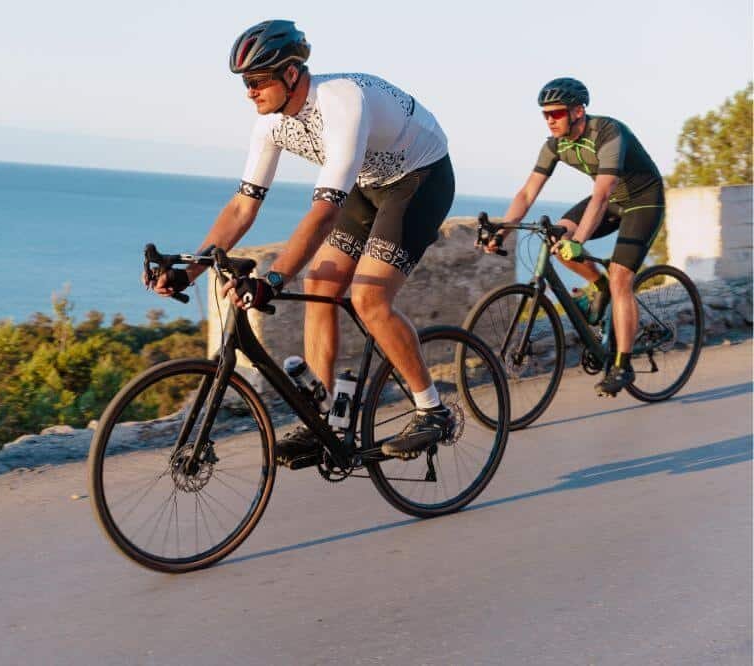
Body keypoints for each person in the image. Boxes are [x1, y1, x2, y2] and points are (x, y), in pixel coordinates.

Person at [145, 20, 456, 465]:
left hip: (419, 179)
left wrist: (272, 278)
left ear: (291, 74)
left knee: (369, 298)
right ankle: (326, 416)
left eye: (256, 81)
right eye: (244, 83)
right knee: (321, 284)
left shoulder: (341, 101)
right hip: (367, 185)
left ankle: (432, 410)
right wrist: (188, 270)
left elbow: (324, 210)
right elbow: (242, 207)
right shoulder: (271, 125)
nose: (249, 92)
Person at [484, 77, 665, 397]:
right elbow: (527, 193)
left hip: (642, 200)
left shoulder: (608, 132)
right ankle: (598, 288)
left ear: (578, 111)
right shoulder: (554, 145)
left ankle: (622, 365)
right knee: (557, 241)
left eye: (556, 113)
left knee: (621, 277)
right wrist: (504, 229)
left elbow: (602, 193)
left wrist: (579, 241)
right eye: (545, 115)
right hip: (611, 200)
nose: (550, 120)